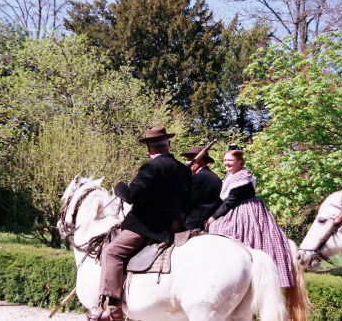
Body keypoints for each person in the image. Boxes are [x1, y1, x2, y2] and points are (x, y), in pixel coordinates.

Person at [87, 127, 192, 321]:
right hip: (175, 225)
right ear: (168, 145)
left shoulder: (151, 168)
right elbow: (187, 201)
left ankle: (113, 308)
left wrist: (119, 186)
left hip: (148, 227)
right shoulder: (183, 169)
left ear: (149, 149)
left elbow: (130, 196)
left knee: (111, 252)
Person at [206, 145, 295, 288]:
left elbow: (231, 201)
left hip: (247, 211)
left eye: (230, 160)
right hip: (237, 208)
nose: (226, 163)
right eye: (224, 160)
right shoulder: (232, 176)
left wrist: (213, 217)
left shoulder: (243, 178)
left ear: (240, 162)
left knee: (225, 229)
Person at [181, 146, 222, 230]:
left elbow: (187, 202)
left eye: (189, 159)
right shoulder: (212, 176)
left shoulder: (199, 177)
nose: (186, 162)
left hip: (195, 222)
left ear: (201, 161)